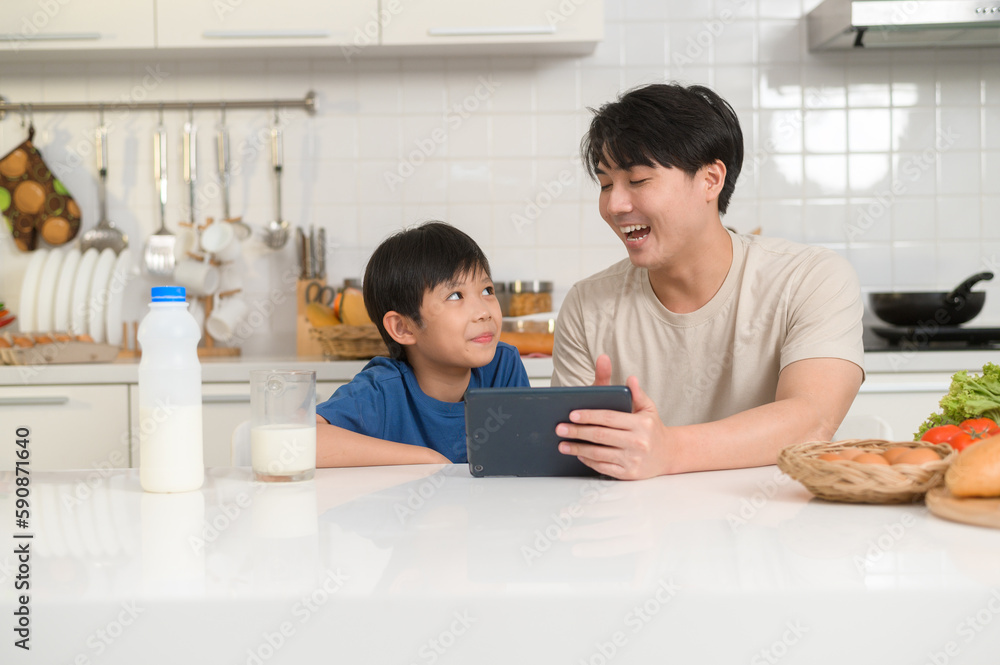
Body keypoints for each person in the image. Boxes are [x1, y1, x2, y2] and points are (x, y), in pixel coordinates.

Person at [551, 83, 864, 480]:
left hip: (776, 528)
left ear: (711, 179)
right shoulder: (587, 305)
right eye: (606, 183)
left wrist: (668, 450)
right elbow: (571, 457)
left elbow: (812, 420)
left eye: (638, 180)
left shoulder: (810, 278)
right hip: (639, 530)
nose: (614, 205)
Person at [316, 222, 529, 467]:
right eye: (455, 295)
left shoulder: (503, 367)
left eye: (487, 290)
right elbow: (299, 441)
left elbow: (525, 457)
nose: (483, 312)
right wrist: (425, 459)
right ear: (403, 327)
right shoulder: (382, 390)